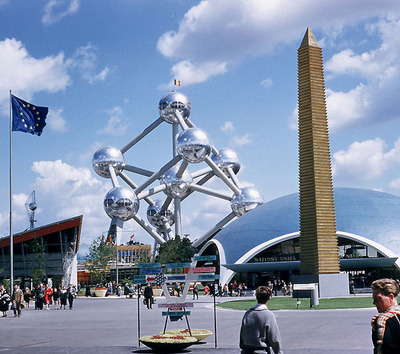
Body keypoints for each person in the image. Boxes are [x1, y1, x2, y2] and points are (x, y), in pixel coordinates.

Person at [240, 286, 283, 354]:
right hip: (261, 351)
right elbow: (274, 338)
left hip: (247, 350)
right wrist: (278, 352)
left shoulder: (247, 313)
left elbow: (243, 333)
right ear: (269, 298)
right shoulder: (268, 315)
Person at [371, 278, 400, 354]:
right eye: (374, 299)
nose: (374, 303)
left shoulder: (383, 319)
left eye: (378, 298)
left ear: (391, 297)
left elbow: (381, 349)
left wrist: (375, 329)